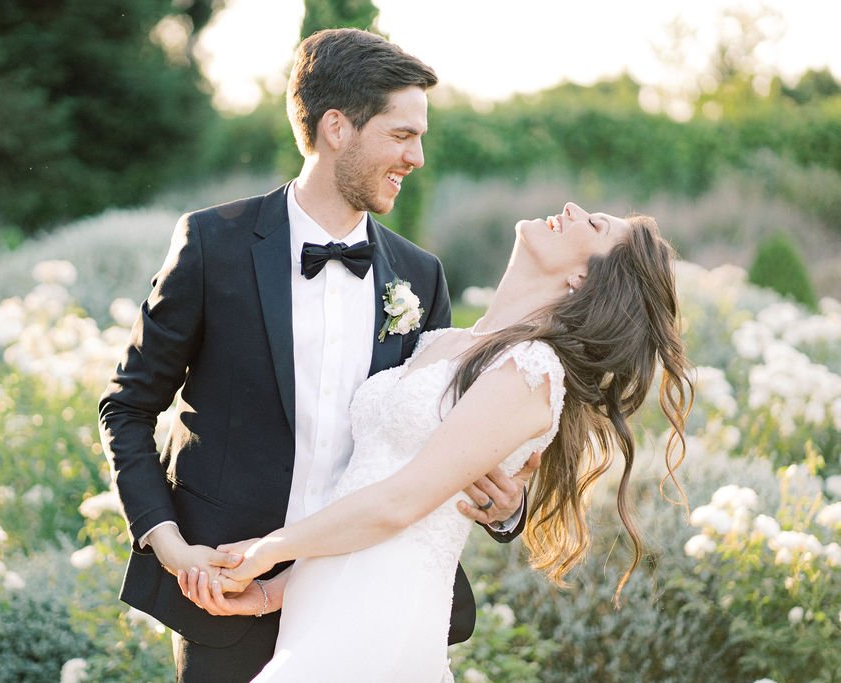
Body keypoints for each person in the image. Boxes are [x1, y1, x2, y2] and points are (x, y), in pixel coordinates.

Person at [98, 28, 535, 682]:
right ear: (337, 127)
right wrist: (170, 544)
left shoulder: (420, 276)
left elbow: (438, 446)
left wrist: (508, 510)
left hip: (366, 599)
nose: (417, 156)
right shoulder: (212, 244)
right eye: (402, 134)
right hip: (223, 599)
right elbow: (127, 407)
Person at [197, 202, 694, 681]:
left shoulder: (529, 370)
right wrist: (276, 591)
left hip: (384, 608)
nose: (568, 208)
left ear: (583, 280)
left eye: (594, 225)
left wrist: (267, 550)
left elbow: (401, 503)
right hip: (324, 600)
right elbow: (367, 480)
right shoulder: (443, 342)